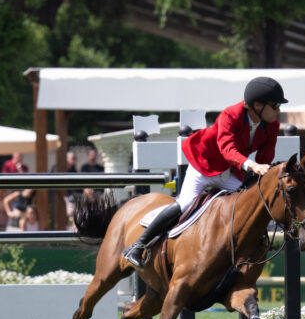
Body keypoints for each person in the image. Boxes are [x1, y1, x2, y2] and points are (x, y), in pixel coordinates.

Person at [122, 76, 286, 268]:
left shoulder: (272, 125)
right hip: (205, 166)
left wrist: (262, 172)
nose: (278, 110)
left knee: (240, 210)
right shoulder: (230, 115)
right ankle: (138, 245)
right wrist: (251, 165)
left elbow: (266, 155)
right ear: (257, 105)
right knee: (185, 204)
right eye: (275, 105)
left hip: (232, 172)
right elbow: (227, 149)